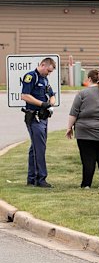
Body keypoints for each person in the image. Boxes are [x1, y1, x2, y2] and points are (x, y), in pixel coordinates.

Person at [66, 70, 99, 189]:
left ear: (89, 79)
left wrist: (69, 128)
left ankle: (86, 184)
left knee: (88, 158)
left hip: (86, 130)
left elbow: (73, 113)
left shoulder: (82, 93)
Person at [21, 57, 57, 188]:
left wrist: (50, 104)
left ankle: (31, 178)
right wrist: (42, 104)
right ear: (42, 65)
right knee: (39, 148)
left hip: (43, 117)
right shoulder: (31, 77)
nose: (49, 73)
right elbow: (24, 95)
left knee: (35, 148)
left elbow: (52, 94)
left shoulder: (44, 79)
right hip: (34, 117)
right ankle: (41, 179)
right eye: (48, 70)